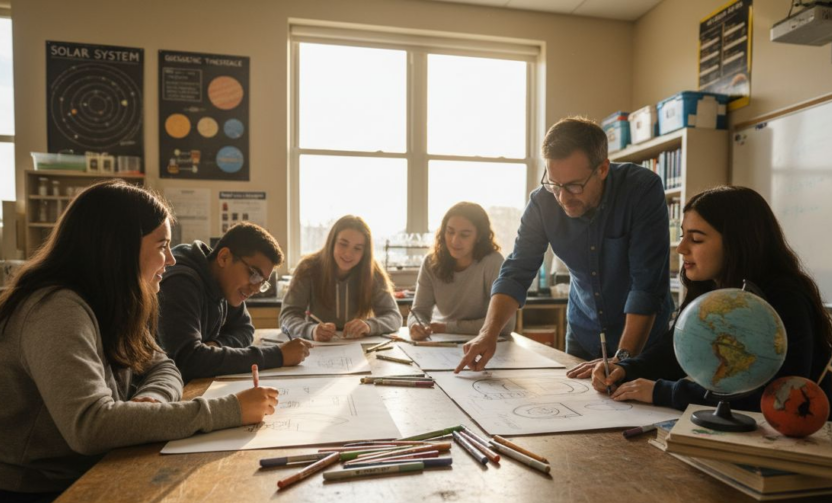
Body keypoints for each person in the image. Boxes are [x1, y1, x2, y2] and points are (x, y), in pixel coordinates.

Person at [0, 181, 279, 503]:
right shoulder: (56, 308)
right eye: (161, 245)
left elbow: (165, 365)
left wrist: (149, 402)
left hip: (53, 483)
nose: (169, 259)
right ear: (118, 246)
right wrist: (229, 409)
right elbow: (91, 426)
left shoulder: (113, 301)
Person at [590, 186, 832, 414]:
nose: (681, 248)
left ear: (737, 243)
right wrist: (627, 369)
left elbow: (778, 396)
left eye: (696, 239)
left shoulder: (785, 298)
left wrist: (665, 392)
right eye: (683, 236)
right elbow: (677, 350)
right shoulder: (712, 290)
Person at [456, 116, 674, 372]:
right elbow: (516, 272)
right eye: (554, 184)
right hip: (584, 333)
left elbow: (646, 287)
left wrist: (624, 360)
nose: (562, 197)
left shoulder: (641, 190)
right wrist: (488, 334)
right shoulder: (542, 203)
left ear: (602, 169)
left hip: (643, 340)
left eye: (574, 186)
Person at [157, 222, 312, 382]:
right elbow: (188, 361)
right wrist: (278, 355)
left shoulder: (224, 282)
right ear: (224, 257)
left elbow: (245, 330)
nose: (256, 288)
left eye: (262, 282)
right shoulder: (180, 283)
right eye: (254, 274)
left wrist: (217, 345)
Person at [280, 215, 402, 341]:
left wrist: (369, 326)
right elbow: (287, 317)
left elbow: (394, 317)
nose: (348, 253)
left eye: (357, 248)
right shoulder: (307, 268)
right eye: (343, 244)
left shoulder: (373, 271)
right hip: (317, 346)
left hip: (358, 345)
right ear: (332, 242)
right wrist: (311, 330)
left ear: (365, 252)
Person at [408, 202, 515, 340]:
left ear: (479, 236)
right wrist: (417, 325)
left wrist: (447, 327)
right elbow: (418, 312)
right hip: (440, 341)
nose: (454, 241)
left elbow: (505, 324)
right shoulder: (430, 262)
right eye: (450, 232)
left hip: (482, 342)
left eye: (464, 235)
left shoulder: (493, 262)